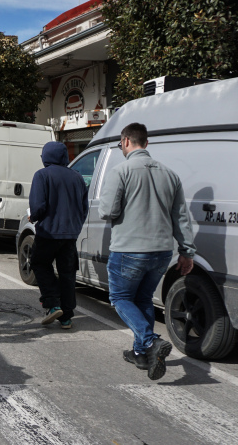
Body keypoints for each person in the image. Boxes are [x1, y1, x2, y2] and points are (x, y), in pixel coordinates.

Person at [98, 122, 195, 380]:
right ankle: (141, 353)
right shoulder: (170, 175)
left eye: (121, 143)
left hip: (129, 249)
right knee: (143, 299)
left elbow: (107, 211)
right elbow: (181, 217)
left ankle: (151, 341)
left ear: (125, 141)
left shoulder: (120, 171)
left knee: (120, 298)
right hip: (162, 252)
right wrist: (187, 251)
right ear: (146, 143)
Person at [28, 141, 89, 329]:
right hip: (70, 234)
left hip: (49, 232)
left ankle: (53, 303)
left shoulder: (42, 175)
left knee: (39, 263)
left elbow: (38, 206)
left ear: (46, 156)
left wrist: (33, 216)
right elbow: (83, 208)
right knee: (67, 273)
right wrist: (75, 227)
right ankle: (66, 317)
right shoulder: (77, 177)